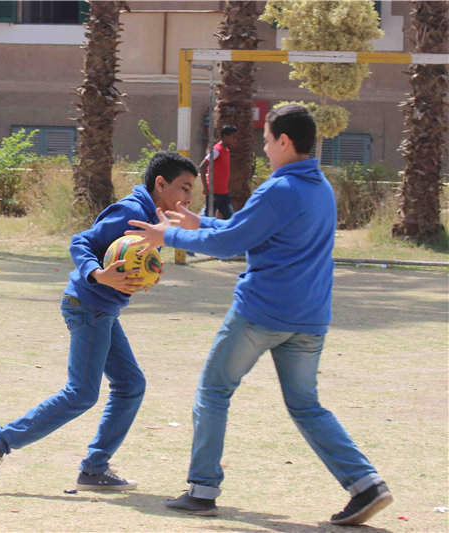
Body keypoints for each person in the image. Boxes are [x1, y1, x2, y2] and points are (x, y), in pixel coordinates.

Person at [126, 105, 391, 526]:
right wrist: (201, 224)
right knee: (306, 406)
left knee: (214, 391)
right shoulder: (320, 187)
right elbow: (248, 231)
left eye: (267, 141)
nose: (265, 149)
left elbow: (231, 244)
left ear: (284, 141)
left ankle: (202, 490)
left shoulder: (278, 189)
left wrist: (168, 235)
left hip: (261, 314)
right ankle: (366, 484)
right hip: (310, 319)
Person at [0, 152, 198, 494]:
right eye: (185, 187)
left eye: (192, 190)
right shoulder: (131, 212)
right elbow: (81, 242)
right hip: (87, 305)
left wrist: (147, 273)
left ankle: (94, 469)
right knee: (81, 393)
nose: (189, 197)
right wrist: (98, 274)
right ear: (160, 183)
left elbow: (127, 259)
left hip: (101, 309)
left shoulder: (156, 218)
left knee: (130, 385)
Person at [198, 124, 238, 219]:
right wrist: (205, 187)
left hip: (224, 193)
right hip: (214, 193)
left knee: (230, 218)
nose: (235, 140)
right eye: (233, 137)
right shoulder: (217, 151)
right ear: (225, 136)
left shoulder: (226, 151)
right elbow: (202, 167)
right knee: (208, 219)